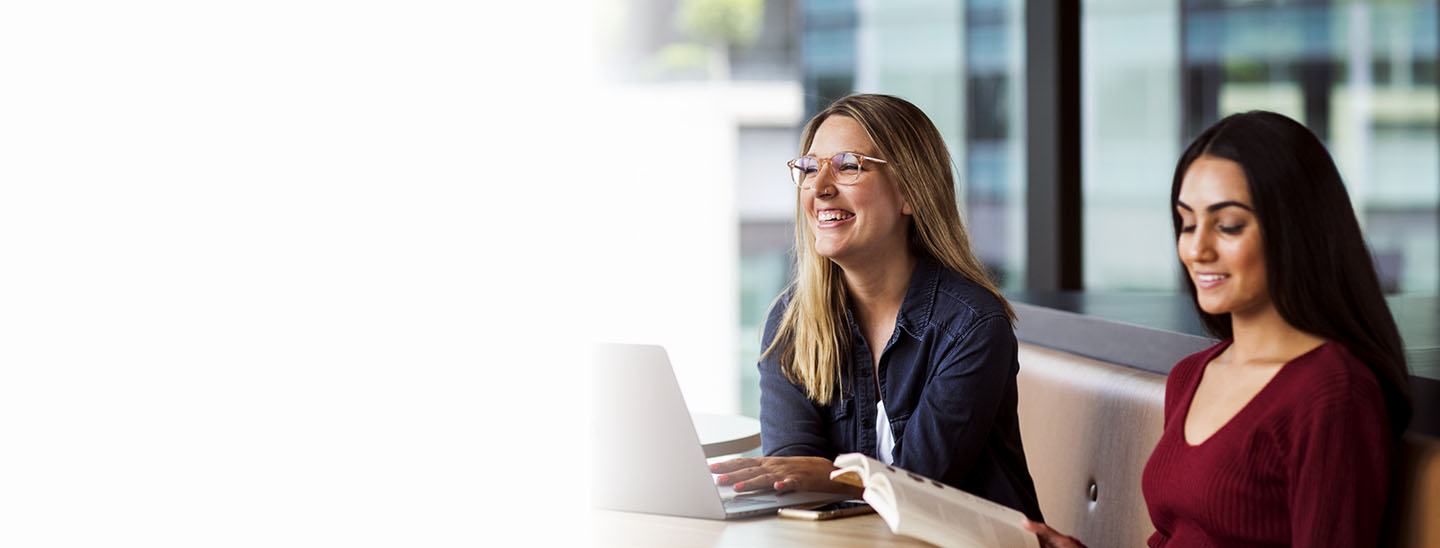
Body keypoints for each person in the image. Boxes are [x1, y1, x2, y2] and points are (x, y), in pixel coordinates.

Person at [1025, 110, 1413, 546]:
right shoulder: (1191, 376)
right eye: (1187, 223)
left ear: (1293, 229)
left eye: (1227, 225)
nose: (1196, 248)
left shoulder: (1331, 392)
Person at [709, 94, 1044, 521]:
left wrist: (823, 477)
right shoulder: (791, 323)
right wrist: (809, 478)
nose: (820, 186)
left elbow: (919, 486)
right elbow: (790, 477)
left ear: (910, 192)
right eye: (810, 167)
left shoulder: (972, 326)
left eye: (848, 165)